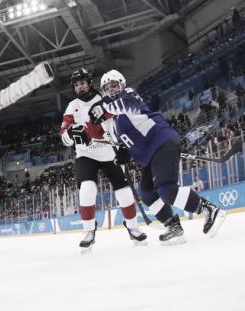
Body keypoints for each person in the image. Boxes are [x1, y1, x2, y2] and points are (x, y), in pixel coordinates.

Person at [90, 69, 227, 244]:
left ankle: (209, 209)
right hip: (149, 156)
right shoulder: (113, 122)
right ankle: (173, 226)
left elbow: (122, 106)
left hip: (161, 142)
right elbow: (127, 141)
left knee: (167, 191)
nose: (111, 90)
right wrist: (123, 153)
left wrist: (102, 107)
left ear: (122, 85)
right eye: (107, 88)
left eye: (114, 85)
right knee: (147, 193)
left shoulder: (129, 95)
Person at [59, 68, 147, 251]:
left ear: (90, 83)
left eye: (82, 83)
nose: (80, 87)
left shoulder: (104, 99)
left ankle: (133, 227)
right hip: (86, 154)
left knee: (124, 191)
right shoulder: (72, 106)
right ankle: (89, 231)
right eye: (76, 84)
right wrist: (70, 133)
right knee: (87, 189)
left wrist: (123, 145)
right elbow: (64, 138)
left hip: (109, 151)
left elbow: (120, 121)